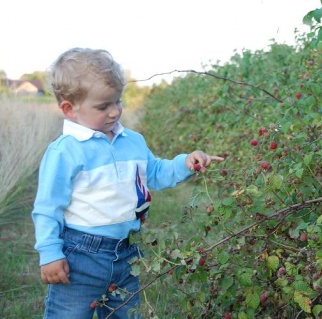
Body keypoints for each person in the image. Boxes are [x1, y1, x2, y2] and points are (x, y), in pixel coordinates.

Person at [31, 47, 224, 319]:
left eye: (117, 101)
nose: (114, 112)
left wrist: (184, 163)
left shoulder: (132, 140)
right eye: (103, 106)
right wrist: (50, 253)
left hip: (127, 253)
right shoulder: (66, 151)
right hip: (81, 258)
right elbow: (48, 207)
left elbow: (154, 172)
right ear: (69, 109)